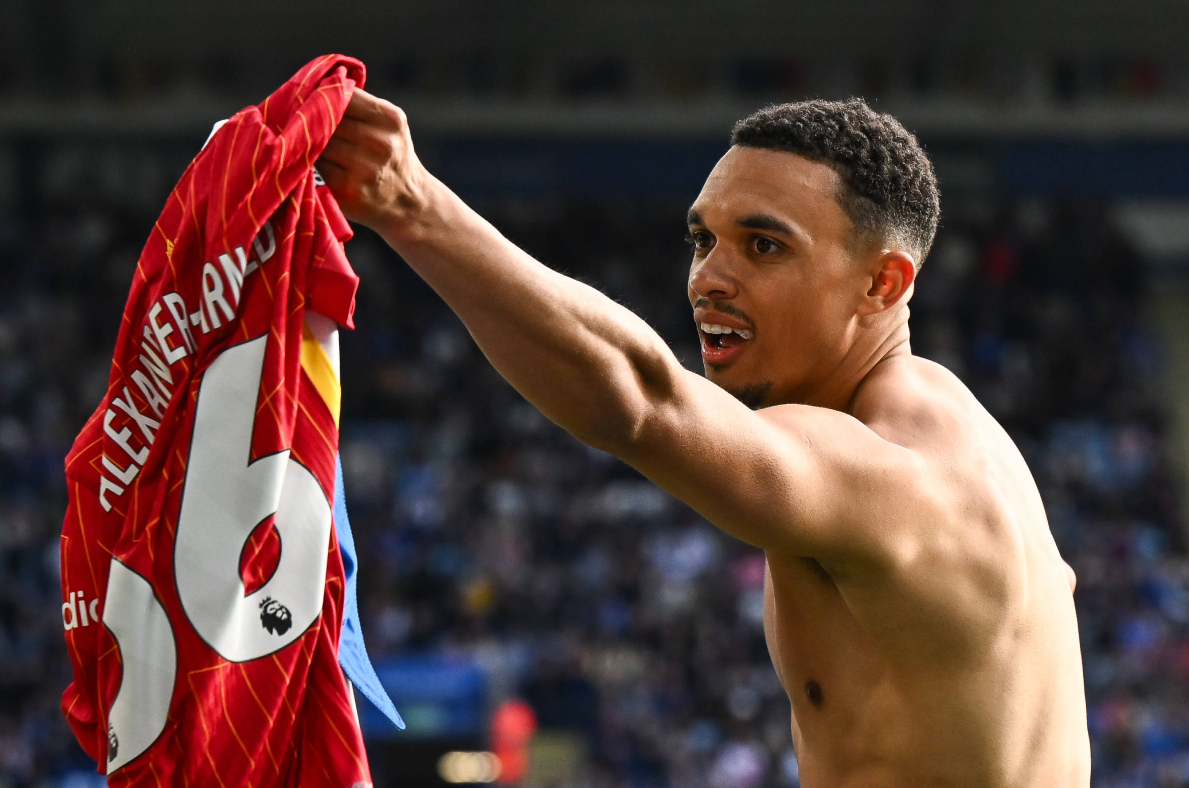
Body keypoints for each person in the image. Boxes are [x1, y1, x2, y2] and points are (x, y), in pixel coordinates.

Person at [319, 92, 1090, 787]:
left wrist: (414, 207)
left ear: (881, 284)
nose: (708, 278)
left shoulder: (899, 475)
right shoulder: (961, 431)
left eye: (764, 246)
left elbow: (642, 403)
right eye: (702, 240)